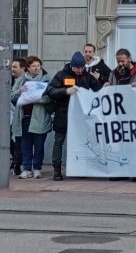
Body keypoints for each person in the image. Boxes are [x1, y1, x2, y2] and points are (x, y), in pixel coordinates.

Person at [43, 52, 105, 181]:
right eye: (77, 68)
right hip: (63, 115)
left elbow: (97, 92)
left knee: (83, 143)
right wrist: (65, 91)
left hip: (81, 118)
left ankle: (80, 168)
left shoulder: (87, 76)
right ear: (71, 65)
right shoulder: (61, 75)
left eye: (82, 67)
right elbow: (50, 91)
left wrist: (102, 83)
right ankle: (57, 170)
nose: (80, 70)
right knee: (59, 142)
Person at [17, 56, 51, 179]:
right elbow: (12, 95)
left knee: (38, 144)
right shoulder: (22, 80)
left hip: (40, 116)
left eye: (38, 65)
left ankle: (37, 168)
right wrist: (19, 91)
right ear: (28, 68)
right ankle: (26, 169)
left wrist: (43, 100)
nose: (36, 68)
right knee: (25, 144)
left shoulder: (46, 79)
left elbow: (52, 96)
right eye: (33, 66)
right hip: (24, 116)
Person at [8, 57, 25, 176]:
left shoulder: (26, 81)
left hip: (20, 114)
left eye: (15, 67)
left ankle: (17, 163)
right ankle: (15, 160)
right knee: (9, 138)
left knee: (18, 140)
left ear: (23, 69)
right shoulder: (8, 80)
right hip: (9, 114)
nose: (12, 69)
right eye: (12, 67)